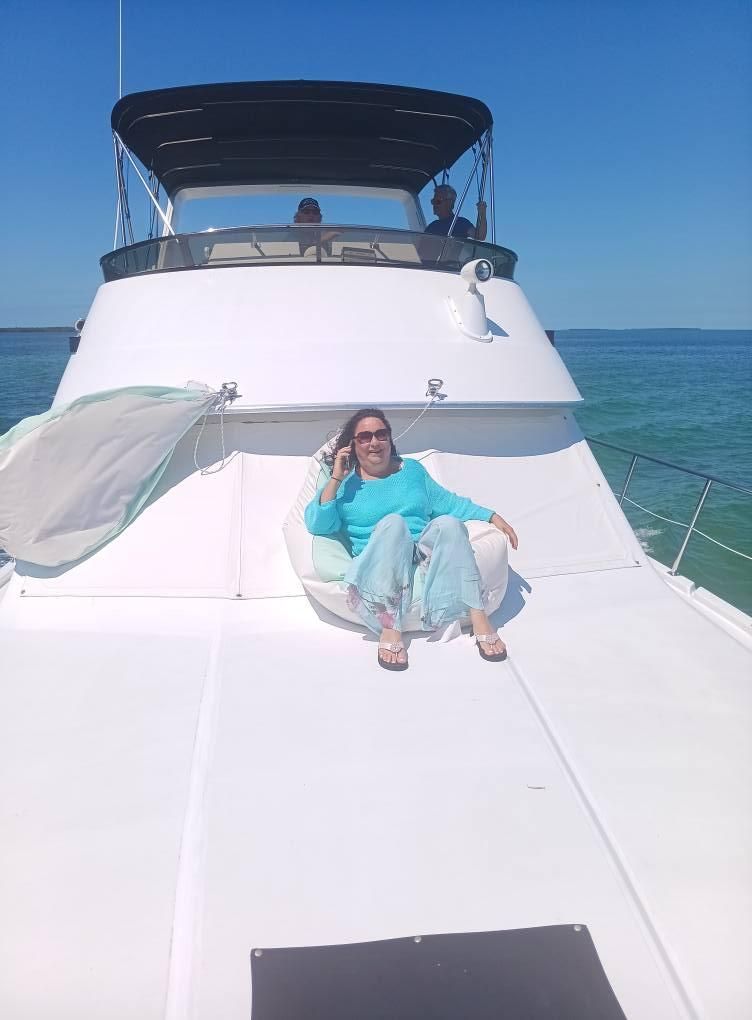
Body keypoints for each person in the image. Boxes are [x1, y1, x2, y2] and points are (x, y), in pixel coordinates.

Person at [304, 408, 518, 671]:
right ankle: (390, 625)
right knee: (393, 523)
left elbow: (449, 503)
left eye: (381, 434)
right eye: (365, 437)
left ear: (389, 438)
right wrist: (337, 477)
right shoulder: (344, 484)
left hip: (420, 551)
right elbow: (318, 524)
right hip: (380, 558)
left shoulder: (412, 470)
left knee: (449, 524)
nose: (374, 442)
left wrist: (492, 516)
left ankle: (478, 615)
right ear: (353, 444)